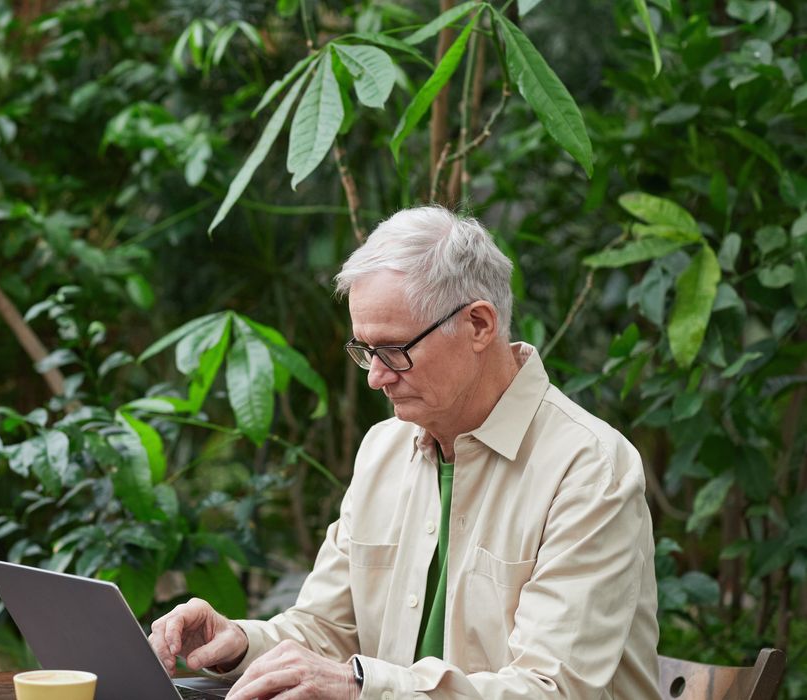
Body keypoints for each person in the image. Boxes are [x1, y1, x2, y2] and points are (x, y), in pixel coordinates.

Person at [148, 205, 660, 699]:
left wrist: (359, 687)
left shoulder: (589, 468)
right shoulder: (384, 449)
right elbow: (326, 629)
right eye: (365, 351)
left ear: (479, 325)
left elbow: (552, 691)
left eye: (394, 350)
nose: (376, 376)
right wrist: (239, 643)